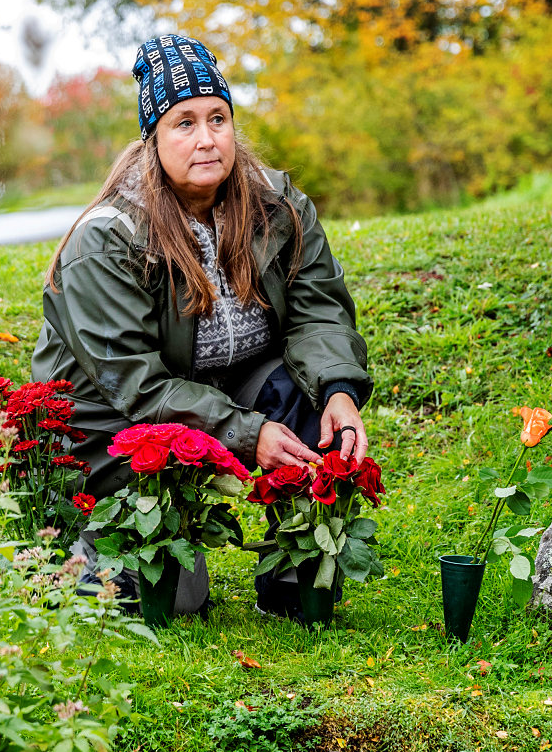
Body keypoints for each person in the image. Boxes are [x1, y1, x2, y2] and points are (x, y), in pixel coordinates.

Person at [32, 33, 372, 616]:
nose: (207, 139)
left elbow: (318, 307)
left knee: (304, 392)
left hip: (216, 385)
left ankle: (295, 582)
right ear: (152, 138)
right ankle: (70, 555)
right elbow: (135, 383)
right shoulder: (107, 239)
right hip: (113, 418)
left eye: (218, 118)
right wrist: (246, 432)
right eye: (184, 123)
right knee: (175, 596)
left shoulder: (278, 207)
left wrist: (339, 389)